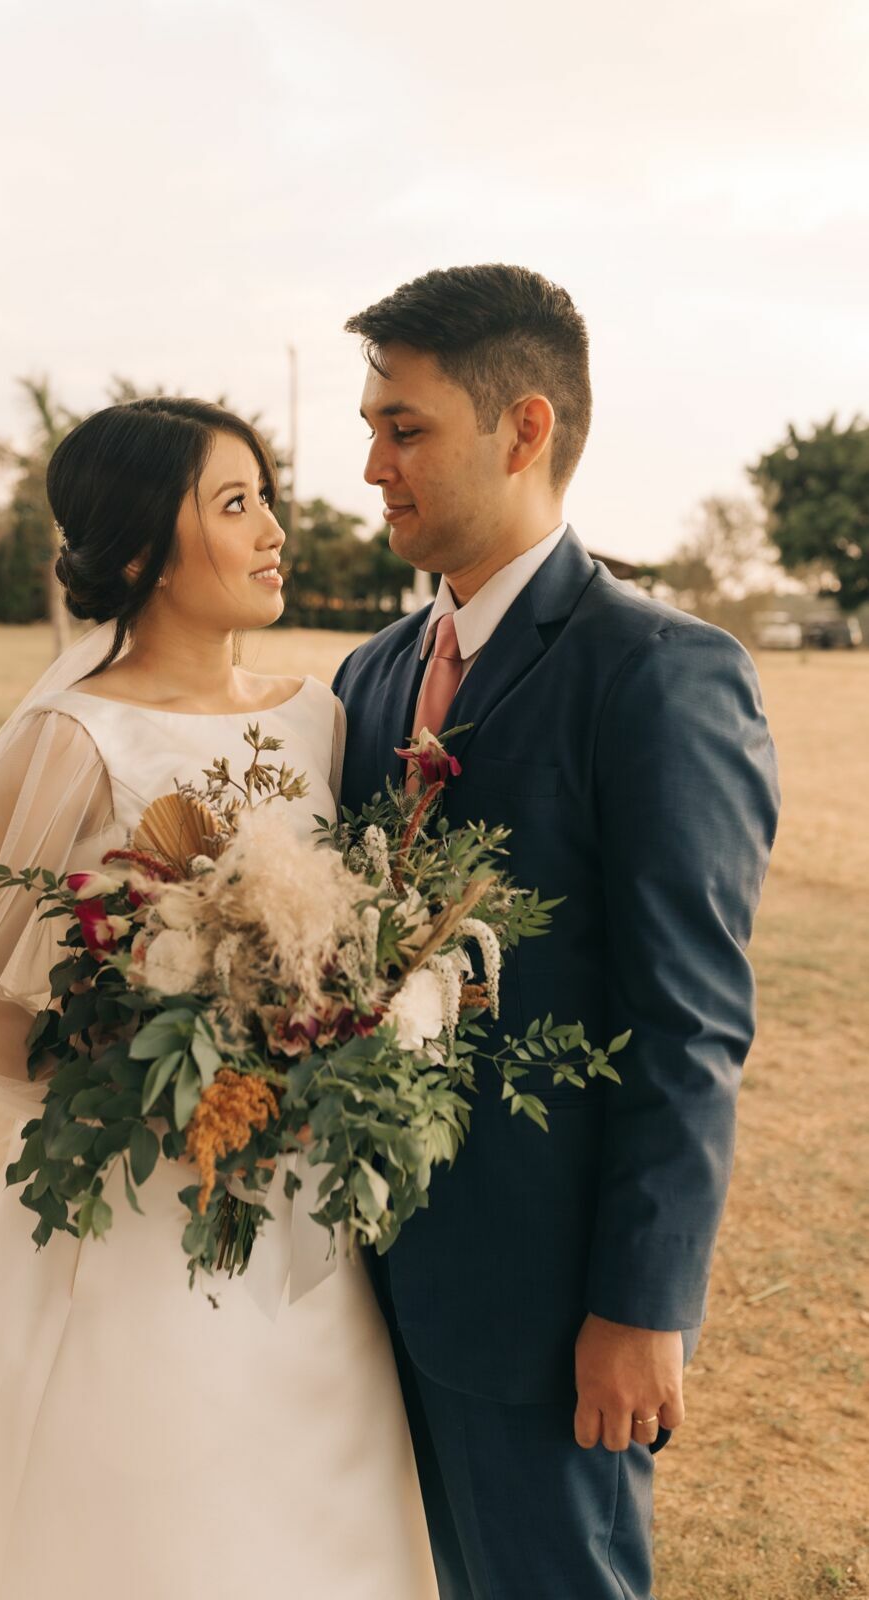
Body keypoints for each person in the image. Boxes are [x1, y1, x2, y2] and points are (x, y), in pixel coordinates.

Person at [0, 398, 438, 1599]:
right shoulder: (73, 735)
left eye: (266, 496)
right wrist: (147, 1089)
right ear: (143, 550)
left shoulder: (321, 713)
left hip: (308, 1212)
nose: (273, 529)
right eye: (234, 502)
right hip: (144, 1202)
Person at [333, 264, 781, 1600]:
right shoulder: (367, 675)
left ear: (522, 429)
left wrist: (640, 1305)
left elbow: (686, 1020)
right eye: (369, 426)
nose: (370, 466)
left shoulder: (654, 672)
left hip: (542, 1311)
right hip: (353, 1289)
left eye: (401, 427)